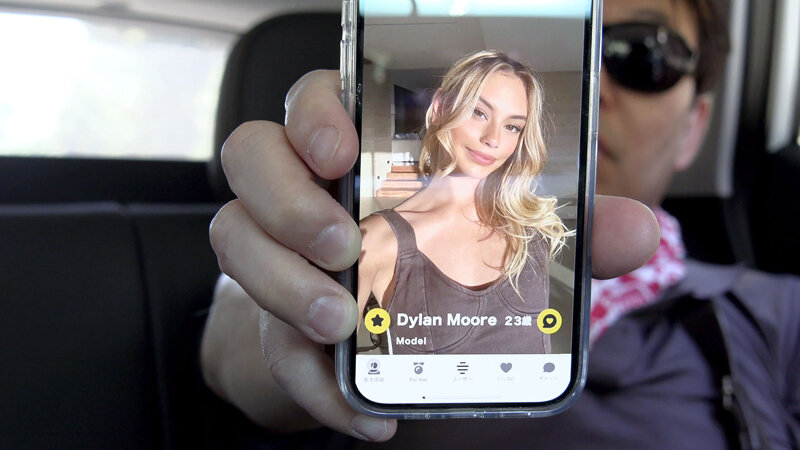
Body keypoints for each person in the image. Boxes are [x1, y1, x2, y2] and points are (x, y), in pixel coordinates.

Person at [201, 0, 800, 447]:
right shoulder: (372, 234)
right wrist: (284, 314)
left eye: (642, 54)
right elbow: (238, 333)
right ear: (444, 108)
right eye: (481, 107)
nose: (595, 81)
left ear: (694, 127)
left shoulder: (773, 314)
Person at [359, 50, 567, 355]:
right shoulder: (377, 239)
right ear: (439, 108)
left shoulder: (533, 230)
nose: (493, 139)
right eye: (478, 112)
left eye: (512, 126)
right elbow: (322, 361)